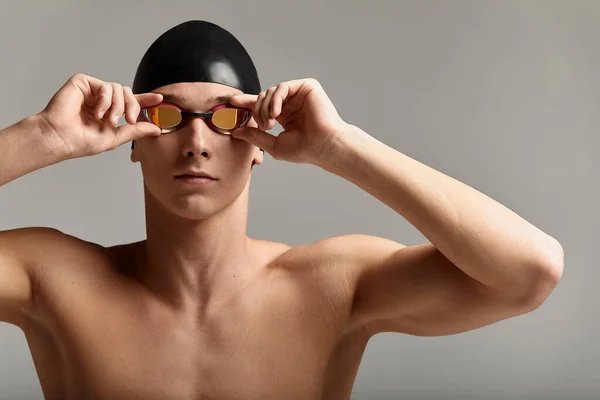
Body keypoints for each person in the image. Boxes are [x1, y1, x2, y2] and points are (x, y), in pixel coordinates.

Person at [0, 20, 563, 400]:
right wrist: (43, 136)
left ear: (259, 147)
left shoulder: (329, 288)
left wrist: (339, 146)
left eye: (224, 119)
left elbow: (529, 272)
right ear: (133, 142)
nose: (197, 143)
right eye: (169, 118)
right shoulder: (55, 281)